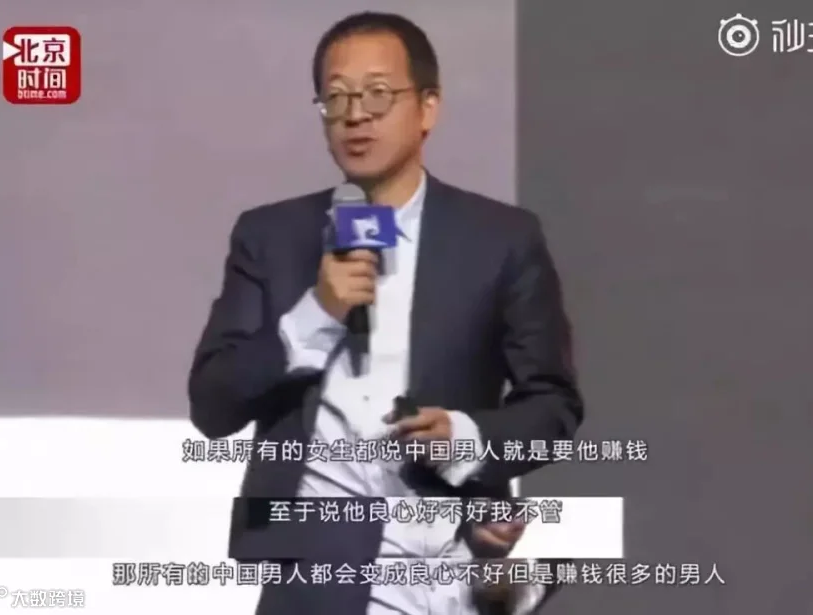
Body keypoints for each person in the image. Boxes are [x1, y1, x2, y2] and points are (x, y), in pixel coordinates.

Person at [188, 11, 584, 615]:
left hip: (442, 565)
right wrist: (316, 315)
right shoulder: (270, 237)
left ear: (427, 108)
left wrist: (466, 437)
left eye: (377, 94)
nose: (355, 115)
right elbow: (213, 404)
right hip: (315, 576)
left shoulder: (501, 239)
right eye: (336, 97)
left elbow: (552, 403)